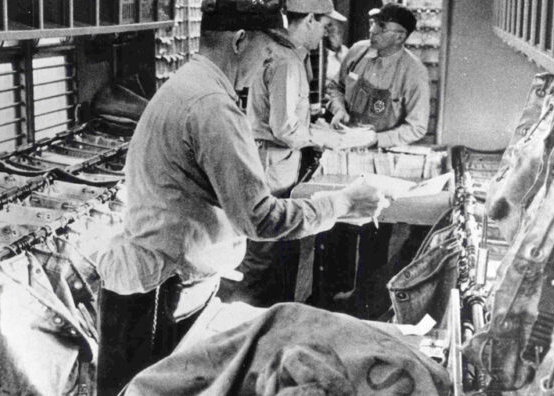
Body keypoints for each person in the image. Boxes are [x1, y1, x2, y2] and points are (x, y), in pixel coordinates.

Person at [94, 0, 388, 394]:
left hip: (150, 283)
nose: (268, 61)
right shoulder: (211, 106)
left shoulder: (189, 84)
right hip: (157, 294)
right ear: (238, 40)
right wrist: (344, 203)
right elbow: (260, 219)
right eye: (266, 50)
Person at [218, 0, 346, 307]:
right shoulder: (287, 61)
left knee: (261, 248)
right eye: (325, 26)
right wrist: (323, 137)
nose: (326, 35)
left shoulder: (275, 51)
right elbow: (285, 127)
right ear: (310, 21)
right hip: (272, 163)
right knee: (262, 252)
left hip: (269, 158)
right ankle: (244, 318)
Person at [327, 2, 430, 147]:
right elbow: (336, 88)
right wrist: (339, 109)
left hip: (383, 150)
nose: (372, 30)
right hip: (345, 141)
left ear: (400, 38)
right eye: (373, 23)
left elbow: (417, 127)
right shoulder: (357, 51)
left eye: (382, 27)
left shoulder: (415, 72)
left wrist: (376, 139)